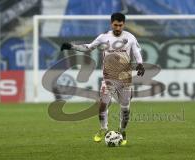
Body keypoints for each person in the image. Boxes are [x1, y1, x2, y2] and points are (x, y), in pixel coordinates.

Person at [61, 12, 145, 146]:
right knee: (102, 104)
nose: (118, 28)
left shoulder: (130, 37)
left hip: (125, 79)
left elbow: (136, 52)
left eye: (120, 25)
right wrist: (72, 46)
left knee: (125, 109)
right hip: (109, 78)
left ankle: (122, 131)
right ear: (111, 23)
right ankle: (103, 129)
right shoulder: (103, 37)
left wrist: (140, 64)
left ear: (124, 24)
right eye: (115, 25)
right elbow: (88, 47)